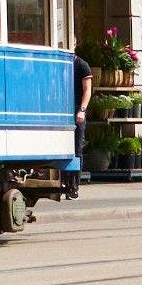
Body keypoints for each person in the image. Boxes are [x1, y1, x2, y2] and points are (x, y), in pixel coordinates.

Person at [65, 48, 93, 198]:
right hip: (64, 111)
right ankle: (64, 182)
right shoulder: (63, 64)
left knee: (77, 149)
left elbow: (87, 90)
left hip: (77, 111)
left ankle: (74, 186)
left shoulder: (82, 65)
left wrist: (82, 110)